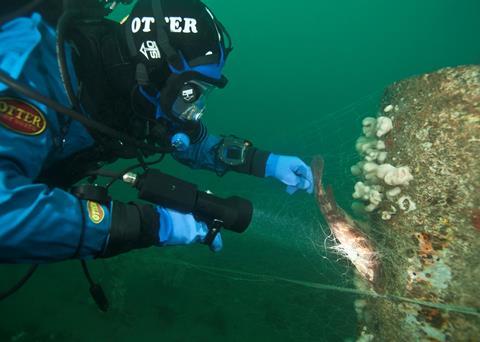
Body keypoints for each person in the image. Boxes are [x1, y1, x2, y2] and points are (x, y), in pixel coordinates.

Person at [0, 0, 313, 264]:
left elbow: (184, 140)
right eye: (190, 91)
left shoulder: (133, 82)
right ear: (154, 65)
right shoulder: (31, 73)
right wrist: (149, 225)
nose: (194, 108)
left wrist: (263, 162)